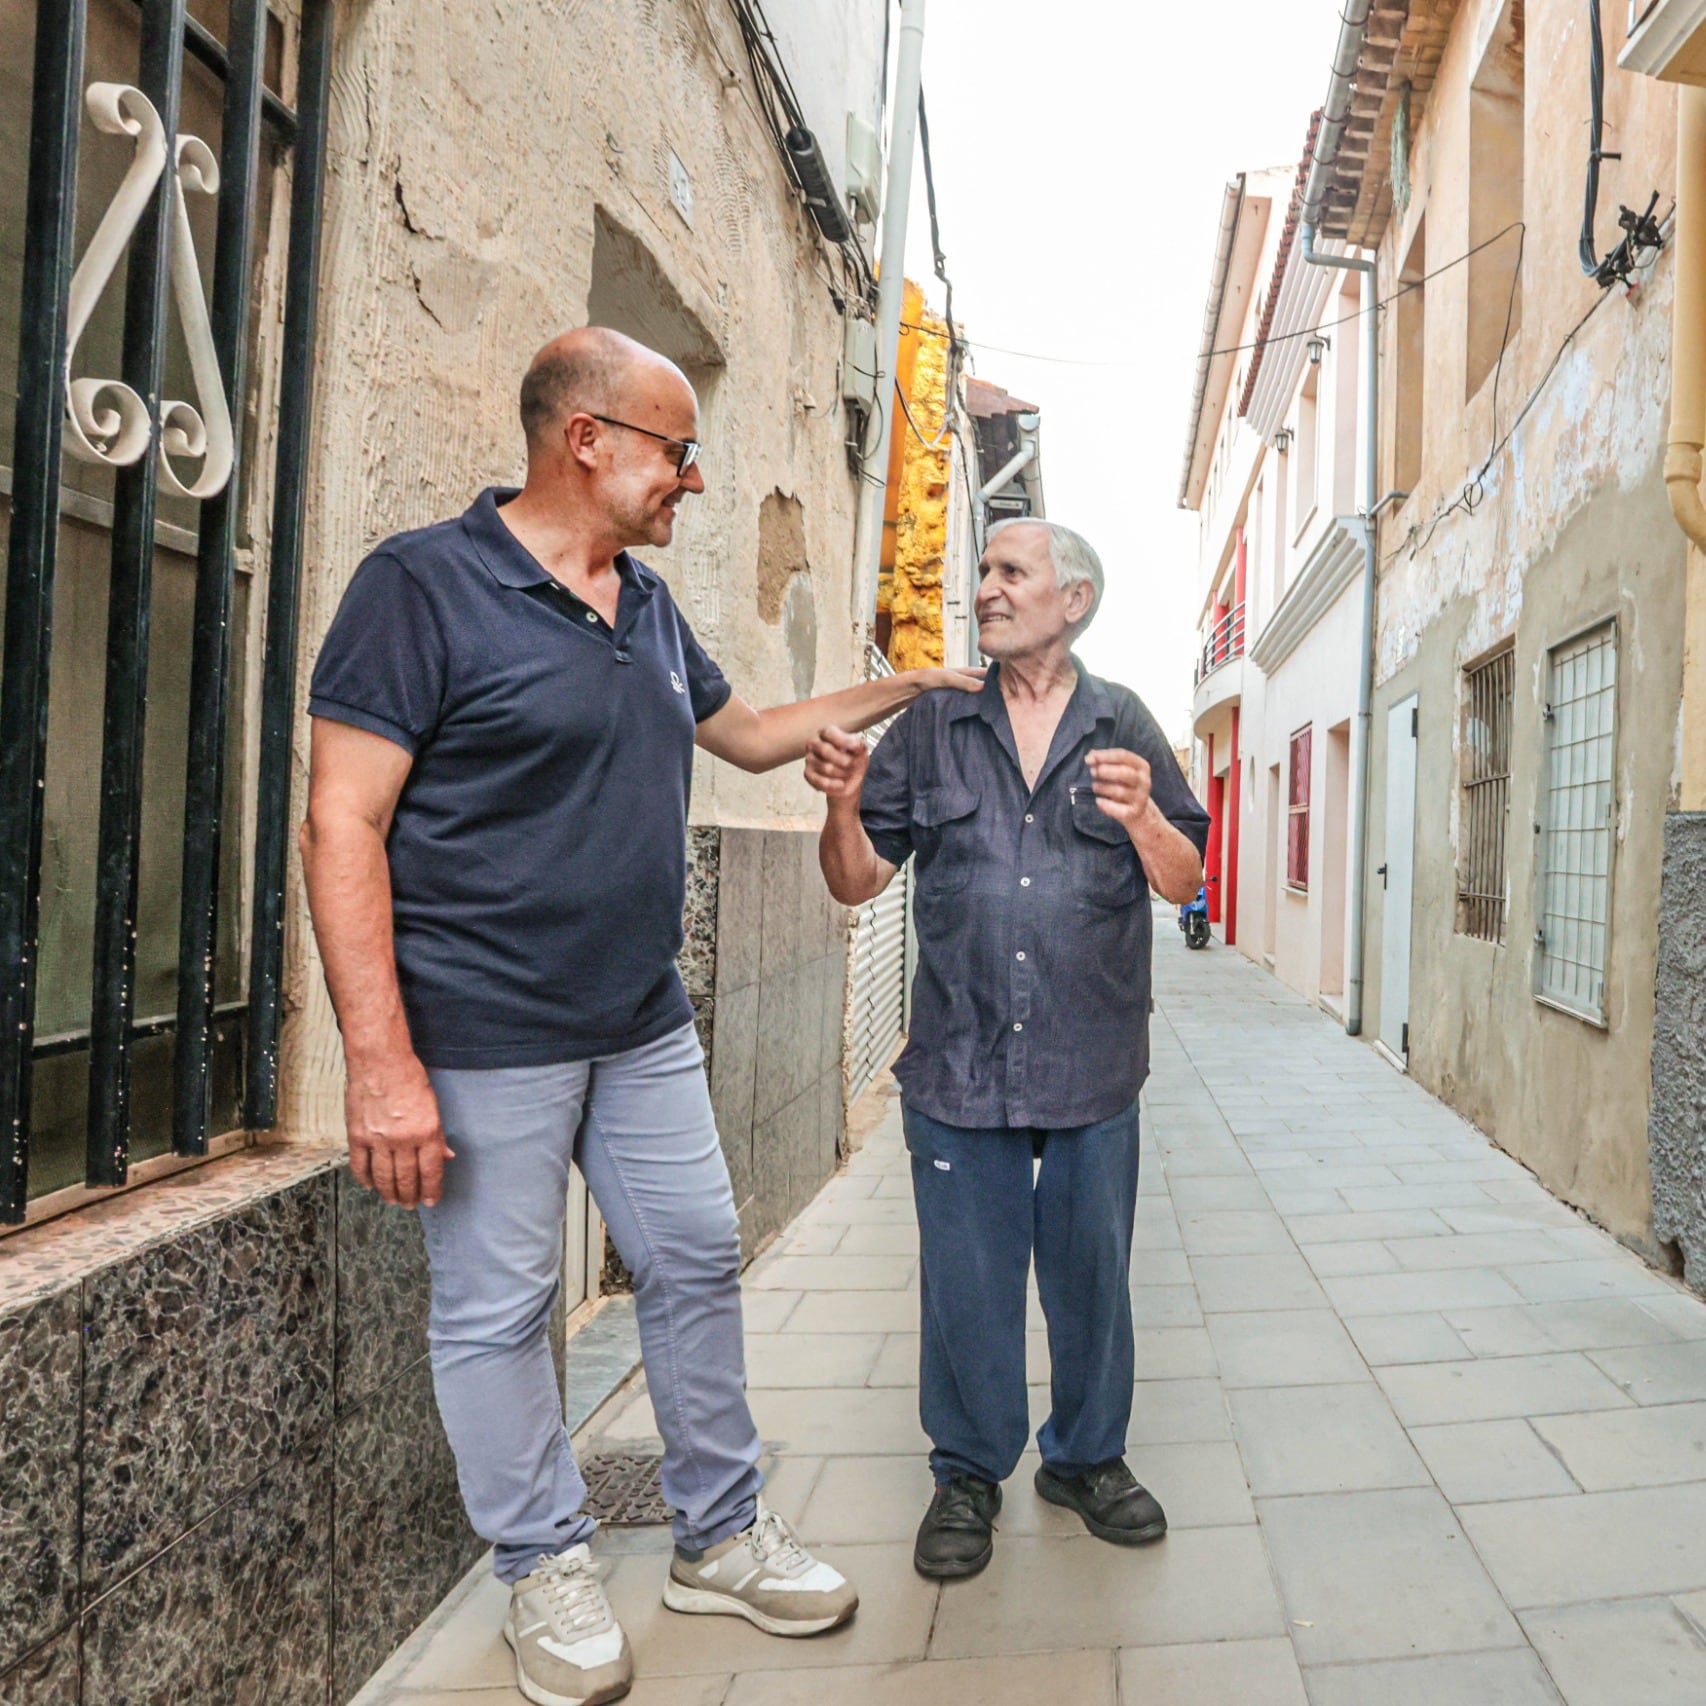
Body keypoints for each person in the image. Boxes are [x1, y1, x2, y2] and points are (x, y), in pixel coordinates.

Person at [302, 327, 979, 1706]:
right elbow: (341, 820)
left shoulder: (648, 604)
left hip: (641, 1017)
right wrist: (380, 1059)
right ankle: (541, 1563)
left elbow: (749, 733)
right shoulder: (421, 586)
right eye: (680, 448)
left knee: (692, 1252)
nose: (695, 478)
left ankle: (719, 1533)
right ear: (586, 439)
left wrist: (916, 684)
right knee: (498, 1310)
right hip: (485, 1027)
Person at [803, 517, 1209, 1582]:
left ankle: (1085, 1457)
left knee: (1090, 1276)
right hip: (959, 1054)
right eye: (981, 570)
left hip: (1091, 1054)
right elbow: (855, 881)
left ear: (1072, 599)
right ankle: (969, 1471)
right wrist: (843, 801)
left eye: (1009, 571)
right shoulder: (935, 723)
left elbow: (1185, 878)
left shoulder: (1124, 721)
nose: (984, 588)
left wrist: (1140, 823)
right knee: (968, 1278)